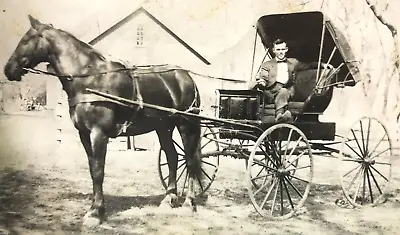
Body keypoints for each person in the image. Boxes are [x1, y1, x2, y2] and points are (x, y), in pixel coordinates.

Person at [252, 38, 334, 123]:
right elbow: (263, 76)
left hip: (287, 91)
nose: (280, 52)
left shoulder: (293, 62)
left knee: (283, 91)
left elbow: (308, 65)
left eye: (283, 49)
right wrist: (262, 81)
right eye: (278, 50)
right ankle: (279, 117)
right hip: (270, 92)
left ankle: (279, 116)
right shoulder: (267, 64)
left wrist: (322, 64)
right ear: (274, 50)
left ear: (286, 50)